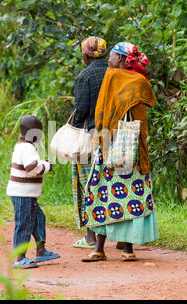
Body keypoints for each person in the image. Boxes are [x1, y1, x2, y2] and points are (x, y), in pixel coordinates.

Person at [81, 42, 159, 262]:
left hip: (111, 144)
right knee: (128, 194)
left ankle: (104, 249)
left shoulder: (113, 77)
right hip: (129, 145)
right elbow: (138, 116)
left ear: (124, 59)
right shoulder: (137, 81)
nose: (109, 59)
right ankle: (123, 249)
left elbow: (105, 110)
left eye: (114, 55)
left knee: (102, 191)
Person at [7, 115, 60, 268]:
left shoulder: (22, 146)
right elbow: (32, 169)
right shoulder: (27, 148)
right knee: (24, 224)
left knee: (38, 219)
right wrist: (46, 166)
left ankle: (41, 250)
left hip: (26, 194)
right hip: (23, 194)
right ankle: (19, 258)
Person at [71, 36, 108, 249]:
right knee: (110, 182)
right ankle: (121, 237)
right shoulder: (115, 72)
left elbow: (81, 109)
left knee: (87, 182)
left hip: (91, 134)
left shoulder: (85, 75)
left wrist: (75, 126)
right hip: (116, 135)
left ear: (86, 55)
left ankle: (90, 236)